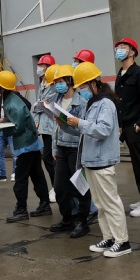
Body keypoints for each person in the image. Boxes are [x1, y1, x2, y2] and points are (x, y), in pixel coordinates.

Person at [67, 62, 130, 258]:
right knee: (101, 204)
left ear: (93, 84)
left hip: (102, 161)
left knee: (111, 202)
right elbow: (85, 131)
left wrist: (80, 123)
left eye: (82, 86)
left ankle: (122, 241)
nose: (81, 90)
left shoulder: (105, 103)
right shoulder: (92, 103)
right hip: (91, 161)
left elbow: (103, 129)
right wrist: (67, 124)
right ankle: (109, 237)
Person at [0, 70, 51, 223]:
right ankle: (44, 204)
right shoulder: (11, 99)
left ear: (2, 87)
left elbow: (18, 127)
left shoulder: (13, 104)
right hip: (31, 143)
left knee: (20, 179)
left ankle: (21, 209)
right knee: (37, 176)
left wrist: (3, 128)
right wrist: (3, 121)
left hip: (26, 145)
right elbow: (13, 119)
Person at [114, 38, 140, 217]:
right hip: (127, 126)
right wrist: (120, 124)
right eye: (118, 47)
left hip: (137, 126)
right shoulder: (121, 73)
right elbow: (120, 102)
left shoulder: (139, 74)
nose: (119, 49)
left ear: (132, 52)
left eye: (123, 47)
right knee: (137, 166)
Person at [48, 65, 91, 238]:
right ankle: (67, 219)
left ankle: (82, 221)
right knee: (59, 188)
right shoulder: (57, 102)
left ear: (70, 81)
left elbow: (83, 130)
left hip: (76, 149)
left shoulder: (82, 103)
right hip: (61, 148)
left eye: (61, 81)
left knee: (80, 187)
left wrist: (65, 124)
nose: (58, 85)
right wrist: (54, 147)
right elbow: (55, 128)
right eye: (56, 82)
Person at [32, 55, 57, 198]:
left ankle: (57, 187)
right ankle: (55, 186)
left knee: (51, 158)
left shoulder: (53, 86)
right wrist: (36, 117)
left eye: (42, 66)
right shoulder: (42, 84)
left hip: (52, 126)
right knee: (47, 158)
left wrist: (38, 106)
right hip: (44, 128)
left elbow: (44, 104)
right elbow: (39, 106)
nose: (39, 68)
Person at [0, 90, 16, 183]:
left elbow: (27, 105)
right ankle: (2, 175)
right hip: (1, 129)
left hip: (11, 128)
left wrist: (6, 119)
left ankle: (15, 173)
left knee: (14, 153)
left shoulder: (14, 96)